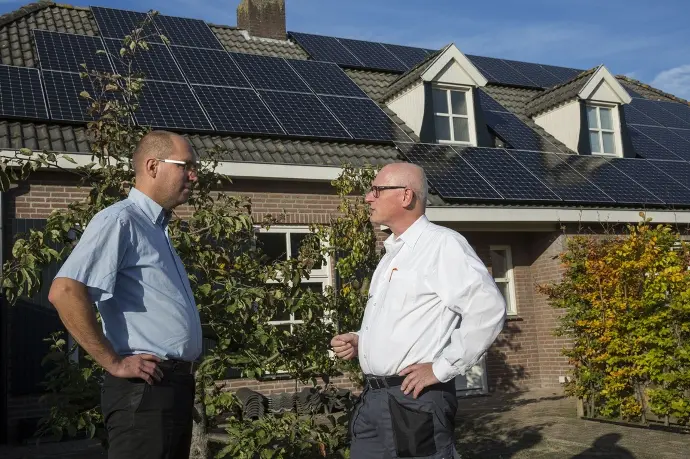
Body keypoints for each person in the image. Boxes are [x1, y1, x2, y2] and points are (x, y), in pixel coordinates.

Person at [331, 162, 506, 458]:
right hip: (373, 399)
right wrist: (361, 338)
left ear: (405, 196)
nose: (367, 197)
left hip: (413, 400)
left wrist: (441, 368)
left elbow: (488, 309)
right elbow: (402, 319)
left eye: (377, 190)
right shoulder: (391, 255)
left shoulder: (442, 245)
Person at [48, 130, 202, 459]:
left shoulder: (155, 229)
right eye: (185, 165)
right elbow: (64, 291)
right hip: (143, 392)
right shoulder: (120, 221)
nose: (194, 175)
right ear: (152, 166)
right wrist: (114, 362)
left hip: (170, 389)